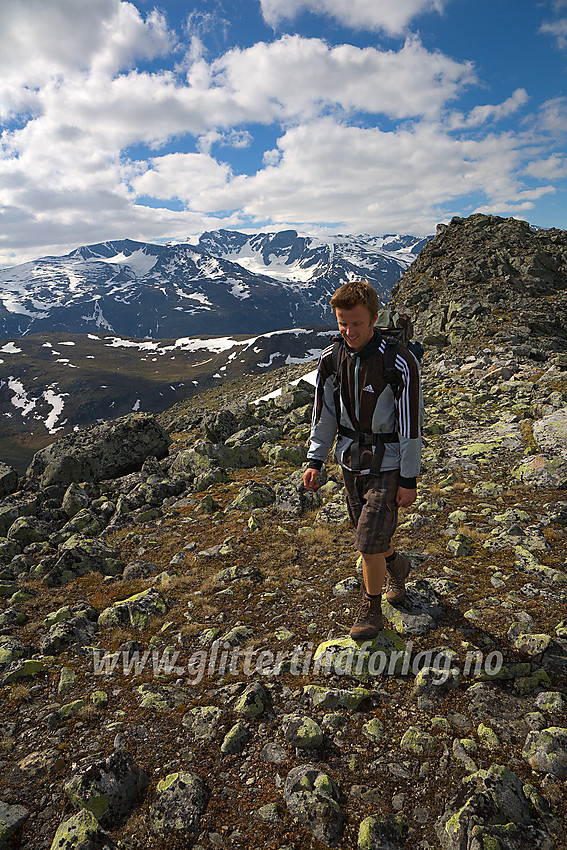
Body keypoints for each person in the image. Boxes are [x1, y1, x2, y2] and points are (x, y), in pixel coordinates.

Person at [302, 280, 423, 640]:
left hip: (388, 464)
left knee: (367, 542)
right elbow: (323, 415)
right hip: (350, 462)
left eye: (356, 323)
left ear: (373, 319)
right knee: (373, 538)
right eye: (342, 323)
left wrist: (409, 478)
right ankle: (397, 566)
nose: (349, 331)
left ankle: (371, 610)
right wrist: (315, 459)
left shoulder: (399, 360)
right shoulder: (331, 359)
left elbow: (411, 425)